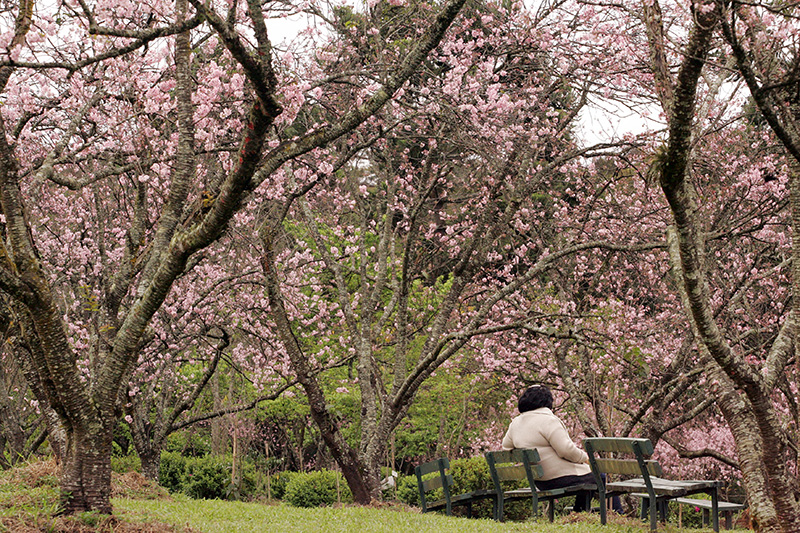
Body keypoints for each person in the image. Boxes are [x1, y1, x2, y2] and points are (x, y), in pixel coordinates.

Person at [501, 384, 621, 513]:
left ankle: (579, 513)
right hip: (560, 479)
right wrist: (584, 457)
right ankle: (617, 514)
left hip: (540, 481)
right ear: (548, 402)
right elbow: (566, 450)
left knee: (589, 477)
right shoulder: (548, 420)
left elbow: (506, 447)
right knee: (601, 478)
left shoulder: (516, 423)